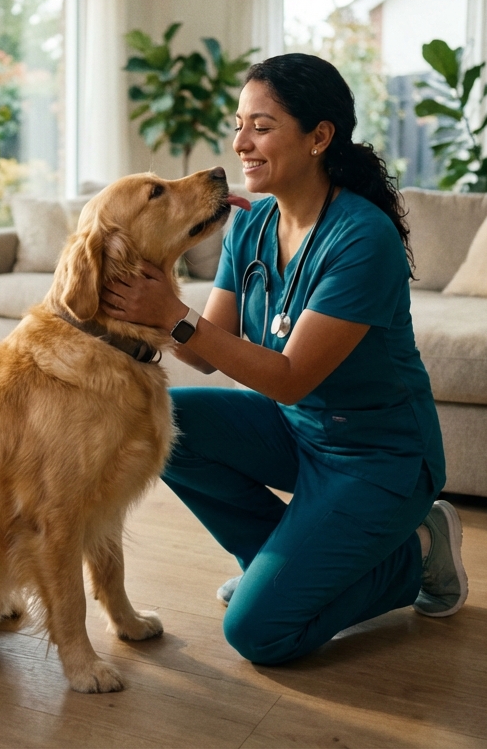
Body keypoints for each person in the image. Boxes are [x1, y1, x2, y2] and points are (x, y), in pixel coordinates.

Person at [100, 53, 467, 667]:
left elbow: (292, 380)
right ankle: (272, 565)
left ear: (319, 136)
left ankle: (418, 552)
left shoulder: (362, 237)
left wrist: (172, 313)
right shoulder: (249, 225)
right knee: (157, 420)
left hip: (378, 458)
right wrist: (148, 292)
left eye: (261, 126)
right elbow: (205, 354)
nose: (240, 143)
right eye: (238, 124)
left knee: (259, 633)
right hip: (298, 435)